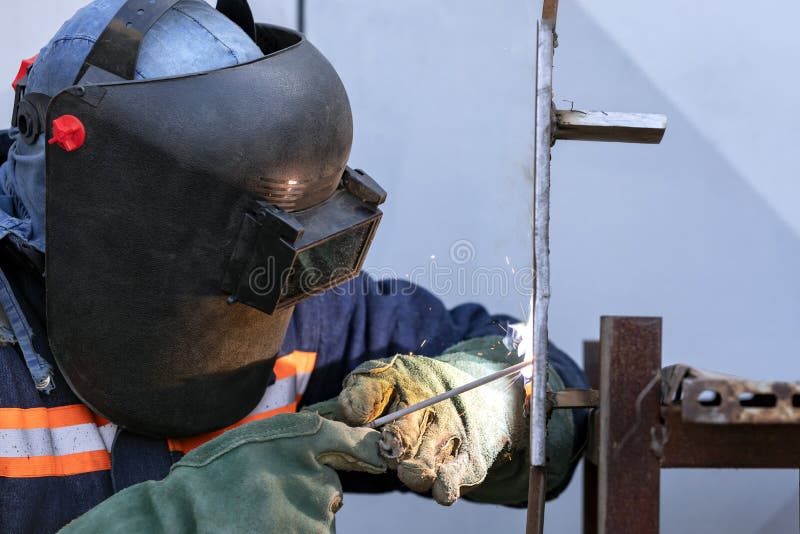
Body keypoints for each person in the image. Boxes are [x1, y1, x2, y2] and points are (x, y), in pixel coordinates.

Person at [0, 1, 589, 532]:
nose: (267, 274)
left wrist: (471, 408)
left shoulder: (288, 307)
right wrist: (176, 521)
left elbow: (540, 375)